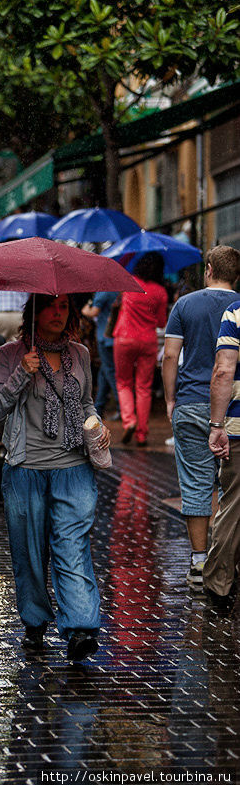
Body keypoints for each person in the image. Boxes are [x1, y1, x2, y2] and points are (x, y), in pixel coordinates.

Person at [0, 294, 110, 662]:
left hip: (73, 468)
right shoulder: (11, 355)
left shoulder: (80, 354)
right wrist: (22, 373)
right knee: (29, 552)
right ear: (34, 312)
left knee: (72, 547)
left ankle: (81, 628)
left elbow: (86, 403)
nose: (58, 313)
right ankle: (35, 621)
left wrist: (97, 425)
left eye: (64, 307)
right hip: (26, 469)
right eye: (50, 306)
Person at [162, 245, 240, 590]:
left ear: (208, 269)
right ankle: (226, 561)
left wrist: (169, 399)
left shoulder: (185, 305)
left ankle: (198, 562)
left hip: (192, 402)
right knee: (232, 488)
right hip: (234, 407)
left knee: (196, 484)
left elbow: (169, 355)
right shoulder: (237, 308)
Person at [203, 297, 240, 600]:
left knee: (233, 504)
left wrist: (217, 425)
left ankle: (219, 584)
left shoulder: (236, 312)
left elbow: (223, 370)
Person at [113, 252, 168, 446]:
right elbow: (161, 322)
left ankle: (130, 420)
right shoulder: (161, 291)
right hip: (148, 340)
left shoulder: (129, 284)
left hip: (125, 337)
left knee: (123, 382)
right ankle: (142, 434)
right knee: (144, 387)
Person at [82, 292, 120, 419]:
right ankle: (99, 406)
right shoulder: (117, 290)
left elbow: (93, 312)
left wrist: (86, 307)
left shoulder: (103, 291)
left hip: (105, 337)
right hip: (113, 337)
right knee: (104, 372)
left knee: (110, 373)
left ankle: (122, 408)